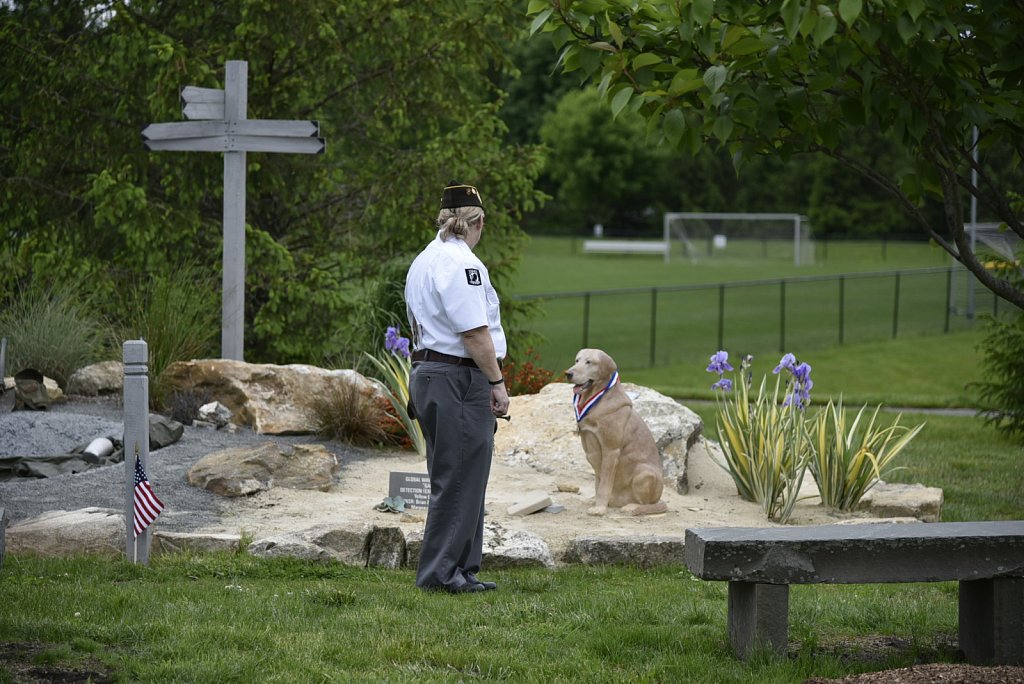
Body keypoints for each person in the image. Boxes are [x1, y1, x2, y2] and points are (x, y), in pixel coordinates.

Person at [404, 180, 510, 593]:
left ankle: (462, 569)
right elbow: (474, 333)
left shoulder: (424, 259)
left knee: (457, 474)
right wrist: (496, 382)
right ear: (478, 221)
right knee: (461, 477)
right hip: (457, 377)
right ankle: (442, 574)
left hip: (430, 374)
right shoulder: (462, 264)